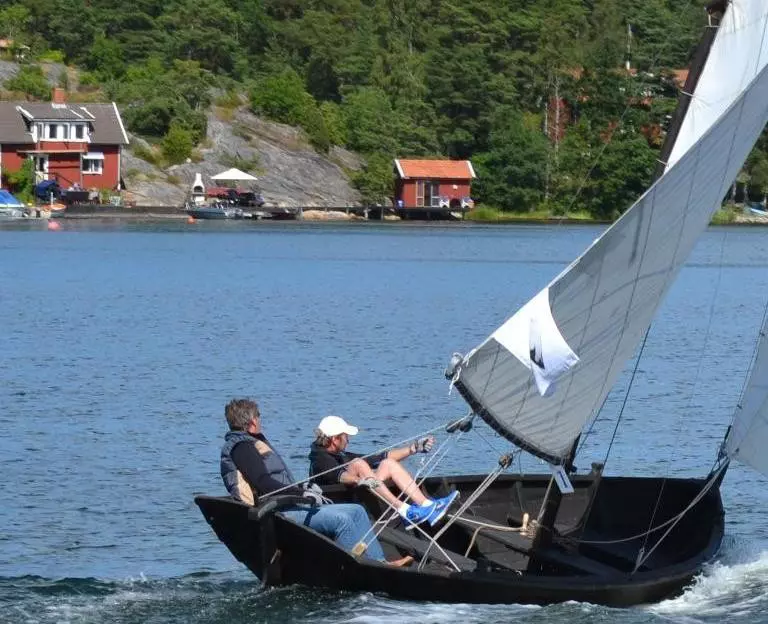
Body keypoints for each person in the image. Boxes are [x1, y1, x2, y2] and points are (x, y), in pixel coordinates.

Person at [220, 398, 411, 566]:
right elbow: (263, 483)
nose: (260, 420)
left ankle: (380, 563)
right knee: (342, 520)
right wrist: (301, 494)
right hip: (277, 511)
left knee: (357, 511)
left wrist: (302, 490)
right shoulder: (242, 447)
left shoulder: (249, 442)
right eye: (259, 416)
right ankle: (360, 571)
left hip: (289, 503)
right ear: (253, 421)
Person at [308, 415, 458, 528]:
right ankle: (404, 510)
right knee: (359, 464)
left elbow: (378, 458)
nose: (348, 440)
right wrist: (359, 480)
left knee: (388, 463)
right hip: (338, 503)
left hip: (358, 491)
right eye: (346, 436)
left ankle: (426, 505)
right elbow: (339, 476)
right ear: (335, 439)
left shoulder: (338, 453)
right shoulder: (320, 458)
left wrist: (413, 449)